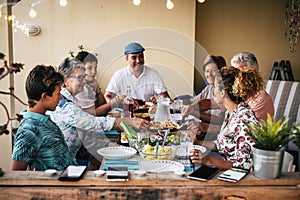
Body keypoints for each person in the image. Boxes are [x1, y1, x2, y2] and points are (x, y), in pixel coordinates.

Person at [48, 57, 149, 165]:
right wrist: (130, 121)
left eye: (84, 77)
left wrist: (113, 146)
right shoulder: (66, 106)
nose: (84, 81)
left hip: (73, 158)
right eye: (80, 77)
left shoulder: (72, 99)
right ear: (66, 81)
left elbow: (86, 133)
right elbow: (93, 122)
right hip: (63, 165)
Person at [189, 66, 261, 171]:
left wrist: (208, 160)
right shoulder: (232, 112)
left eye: (215, 88)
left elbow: (244, 165)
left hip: (238, 178)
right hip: (225, 166)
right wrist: (196, 142)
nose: (213, 92)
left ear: (223, 92)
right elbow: (222, 145)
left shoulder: (243, 120)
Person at [11, 65, 73, 171]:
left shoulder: (44, 120)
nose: (61, 97)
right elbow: (15, 174)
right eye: (58, 94)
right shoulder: (29, 131)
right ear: (44, 97)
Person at [104, 42, 170, 103]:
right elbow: (107, 96)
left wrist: (158, 99)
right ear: (126, 58)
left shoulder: (153, 74)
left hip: (148, 113)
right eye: (134, 57)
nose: (138, 61)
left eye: (141, 56)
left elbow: (166, 97)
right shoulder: (118, 75)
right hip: (126, 113)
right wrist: (113, 107)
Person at [181, 55, 227, 139]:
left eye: (213, 71)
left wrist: (195, 113)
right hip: (201, 131)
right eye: (207, 71)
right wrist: (172, 103)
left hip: (214, 136)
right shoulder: (209, 88)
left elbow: (219, 120)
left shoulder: (225, 93)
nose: (209, 74)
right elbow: (192, 102)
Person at [75, 51, 124, 116]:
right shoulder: (79, 87)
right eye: (89, 68)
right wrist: (116, 100)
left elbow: (102, 105)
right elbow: (94, 113)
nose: (94, 72)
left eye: (95, 68)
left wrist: (97, 89)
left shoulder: (89, 83)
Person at [230, 52, 274, 121]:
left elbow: (242, 125)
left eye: (241, 73)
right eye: (234, 73)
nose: (236, 78)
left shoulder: (260, 99)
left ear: (254, 73)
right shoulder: (237, 95)